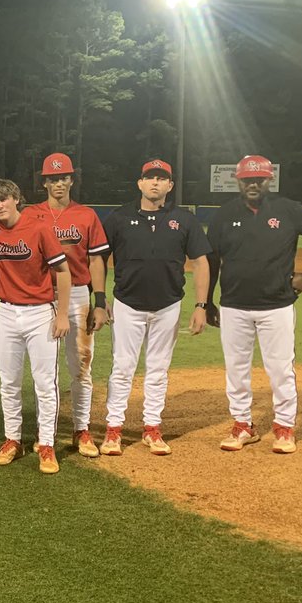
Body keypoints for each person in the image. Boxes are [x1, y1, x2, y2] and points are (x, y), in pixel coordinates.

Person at [205, 155, 302, 454]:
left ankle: (284, 427)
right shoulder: (224, 214)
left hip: (276, 304)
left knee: (280, 369)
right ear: (238, 181)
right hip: (233, 305)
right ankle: (242, 425)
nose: (253, 184)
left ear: (269, 180)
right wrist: (207, 302)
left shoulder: (288, 210)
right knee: (236, 369)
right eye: (247, 179)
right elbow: (212, 260)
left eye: (259, 179)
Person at [101, 160, 211, 456]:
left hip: (168, 305)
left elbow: (201, 261)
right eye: (150, 177)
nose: (155, 183)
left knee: (158, 369)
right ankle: (113, 429)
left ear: (170, 186)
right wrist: (99, 299)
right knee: (123, 367)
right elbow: (98, 258)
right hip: (127, 303)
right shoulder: (119, 217)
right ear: (139, 183)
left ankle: (152, 427)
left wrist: (201, 305)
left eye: (161, 179)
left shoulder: (183, 219)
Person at [0, 178, 71, 475]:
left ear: (15, 198)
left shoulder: (39, 227)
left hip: (40, 314)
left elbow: (63, 270)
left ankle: (46, 444)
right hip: (6, 312)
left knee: (45, 383)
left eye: (3, 199)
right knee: (9, 382)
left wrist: (62, 314)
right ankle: (12, 439)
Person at [26, 153, 110, 458]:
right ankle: (43, 430)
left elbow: (97, 259)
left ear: (71, 179)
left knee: (81, 365)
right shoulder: (31, 214)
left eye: (63, 177)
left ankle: (81, 428)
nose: (58, 183)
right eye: (52, 178)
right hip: (41, 297)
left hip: (76, 295)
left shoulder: (86, 215)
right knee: (44, 371)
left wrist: (99, 300)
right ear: (44, 182)